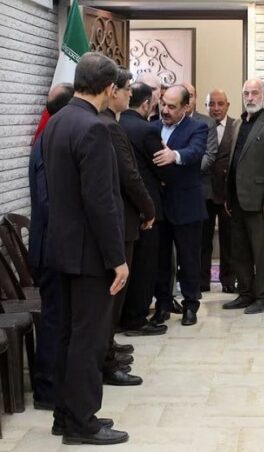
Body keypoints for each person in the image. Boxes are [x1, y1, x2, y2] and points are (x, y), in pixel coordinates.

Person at [41, 52, 129, 445]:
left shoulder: (57, 121)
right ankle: (82, 423)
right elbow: (100, 201)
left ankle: (65, 415)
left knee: (66, 336)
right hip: (88, 254)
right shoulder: (94, 128)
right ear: (109, 88)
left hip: (59, 247)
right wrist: (117, 259)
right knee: (89, 340)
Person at [99, 67, 155, 386]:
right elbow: (129, 176)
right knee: (113, 297)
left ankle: (108, 349)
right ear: (113, 91)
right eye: (127, 89)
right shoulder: (109, 127)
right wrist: (148, 208)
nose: (131, 94)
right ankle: (107, 362)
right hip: (121, 221)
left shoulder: (108, 123)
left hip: (118, 220)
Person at [28, 82, 74, 411]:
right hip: (50, 246)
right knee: (54, 319)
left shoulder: (50, 138)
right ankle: (46, 390)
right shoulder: (48, 142)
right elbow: (47, 202)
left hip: (54, 242)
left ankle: (56, 383)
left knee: (59, 318)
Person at [222, 78, 264, 314]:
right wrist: (228, 196)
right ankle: (246, 293)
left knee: (262, 253)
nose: (250, 97)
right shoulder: (238, 123)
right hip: (236, 200)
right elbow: (233, 162)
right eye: (246, 93)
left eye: (255, 93)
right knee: (239, 252)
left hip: (260, 202)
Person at [151, 84, 208, 326]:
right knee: (160, 259)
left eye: (172, 107)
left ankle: (190, 305)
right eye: (163, 104)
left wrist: (174, 155)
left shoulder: (197, 127)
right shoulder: (152, 126)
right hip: (159, 206)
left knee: (189, 259)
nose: (165, 110)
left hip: (186, 205)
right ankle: (163, 305)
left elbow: (195, 152)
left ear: (186, 107)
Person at [119, 83, 170, 336]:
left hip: (123, 207)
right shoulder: (147, 130)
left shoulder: (115, 124)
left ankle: (122, 314)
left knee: (128, 262)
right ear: (147, 103)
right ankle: (137, 318)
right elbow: (163, 168)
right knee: (145, 265)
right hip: (147, 206)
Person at [203, 89, 236, 294]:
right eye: (211, 104)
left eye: (220, 104)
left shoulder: (237, 126)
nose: (216, 108)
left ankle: (228, 280)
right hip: (205, 191)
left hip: (227, 193)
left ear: (227, 105)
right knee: (202, 240)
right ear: (206, 106)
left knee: (229, 240)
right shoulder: (199, 125)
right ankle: (202, 281)